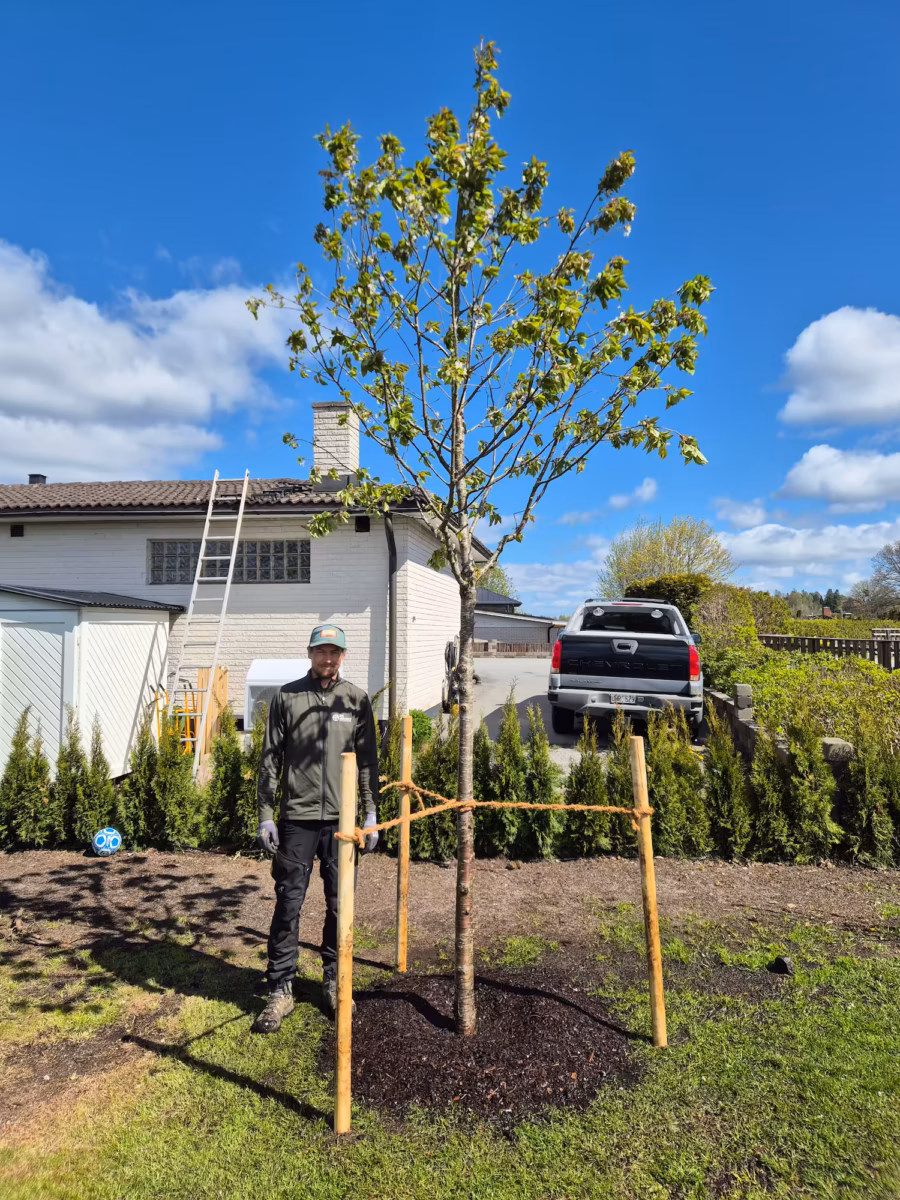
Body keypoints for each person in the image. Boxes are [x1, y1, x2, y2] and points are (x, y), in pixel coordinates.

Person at [251, 623, 379, 1034]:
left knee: (341, 906)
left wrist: (371, 814)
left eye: (335, 652)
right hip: (298, 820)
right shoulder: (287, 697)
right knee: (289, 903)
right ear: (310, 653)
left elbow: (367, 763)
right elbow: (270, 758)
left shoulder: (356, 700)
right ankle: (280, 989)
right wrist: (266, 814)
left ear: (343, 656)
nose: (328, 658)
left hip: (342, 823)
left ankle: (334, 982)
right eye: (321, 651)